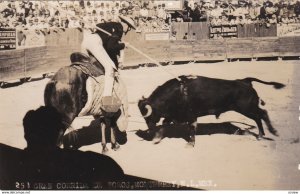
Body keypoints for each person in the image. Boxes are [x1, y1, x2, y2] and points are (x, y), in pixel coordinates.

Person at [21, 106, 124, 182]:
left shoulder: (12, 161)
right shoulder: (87, 161)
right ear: (60, 134)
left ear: (26, 136)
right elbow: (112, 168)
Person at [80, 16, 135, 113]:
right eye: (129, 28)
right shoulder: (119, 28)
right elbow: (111, 47)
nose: (127, 31)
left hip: (85, 42)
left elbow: (97, 26)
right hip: (95, 43)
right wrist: (123, 45)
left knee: (87, 70)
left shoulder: (110, 25)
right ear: (127, 25)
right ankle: (107, 101)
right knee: (110, 68)